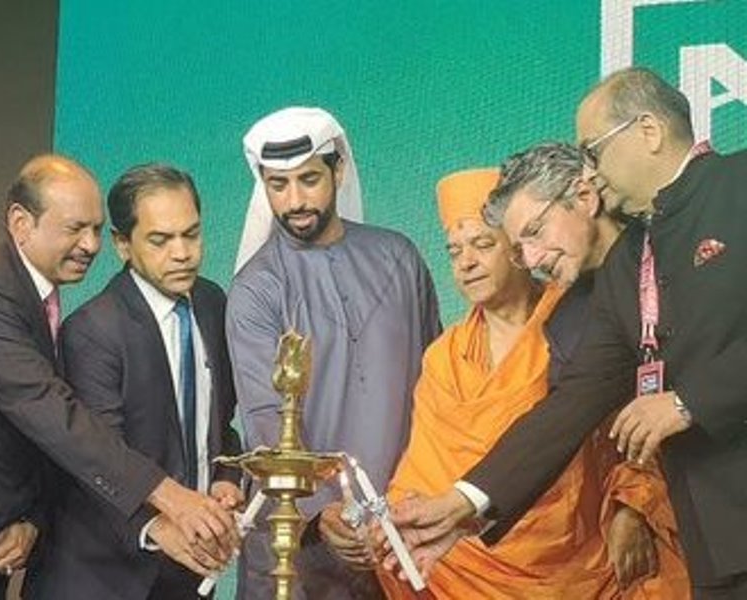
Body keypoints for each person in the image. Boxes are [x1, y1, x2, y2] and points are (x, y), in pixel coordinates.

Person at [394, 68, 747, 598]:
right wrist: (465, 501)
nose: (590, 171)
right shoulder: (630, 260)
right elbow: (574, 401)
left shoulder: (739, 183)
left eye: (593, 150)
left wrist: (689, 401)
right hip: (715, 542)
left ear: (648, 131)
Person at [379, 166, 688, 599]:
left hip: (584, 554)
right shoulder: (444, 357)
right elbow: (423, 468)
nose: (466, 263)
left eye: (483, 244)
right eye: (454, 251)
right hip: (467, 555)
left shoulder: (583, 316)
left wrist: (634, 505)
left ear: (518, 250)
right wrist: (400, 520)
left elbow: (639, 413)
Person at [0, 155, 237, 600]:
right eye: (75, 228)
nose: (90, 245)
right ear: (21, 223)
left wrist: (32, 518)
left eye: (96, 229)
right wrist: (170, 499)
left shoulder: (211, 304)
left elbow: (218, 424)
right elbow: (55, 418)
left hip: (3, 545)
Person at [227, 106, 441, 599]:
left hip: (400, 530)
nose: (295, 201)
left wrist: (419, 503)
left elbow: (437, 389)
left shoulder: (399, 258)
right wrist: (322, 510)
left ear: (338, 171)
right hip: (301, 541)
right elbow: (264, 418)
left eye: (308, 180)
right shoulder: (256, 288)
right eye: (278, 185)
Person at [27, 164, 242, 599]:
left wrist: (226, 476)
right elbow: (95, 463)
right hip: (101, 578)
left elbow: (220, 425)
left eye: (191, 234)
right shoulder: (92, 331)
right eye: (160, 240)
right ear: (122, 244)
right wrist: (156, 527)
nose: (182, 253)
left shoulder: (212, 303)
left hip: (188, 574)